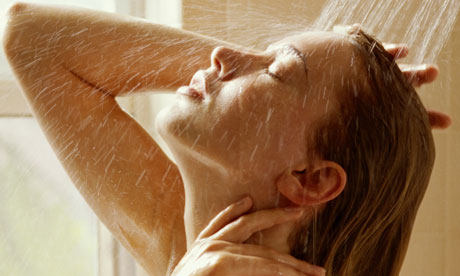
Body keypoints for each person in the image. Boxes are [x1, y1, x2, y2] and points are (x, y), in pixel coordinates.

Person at [3, 2, 451, 276]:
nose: (220, 53)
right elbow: (32, 36)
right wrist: (349, 97)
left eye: (275, 72)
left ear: (310, 179)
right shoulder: (192, 252)